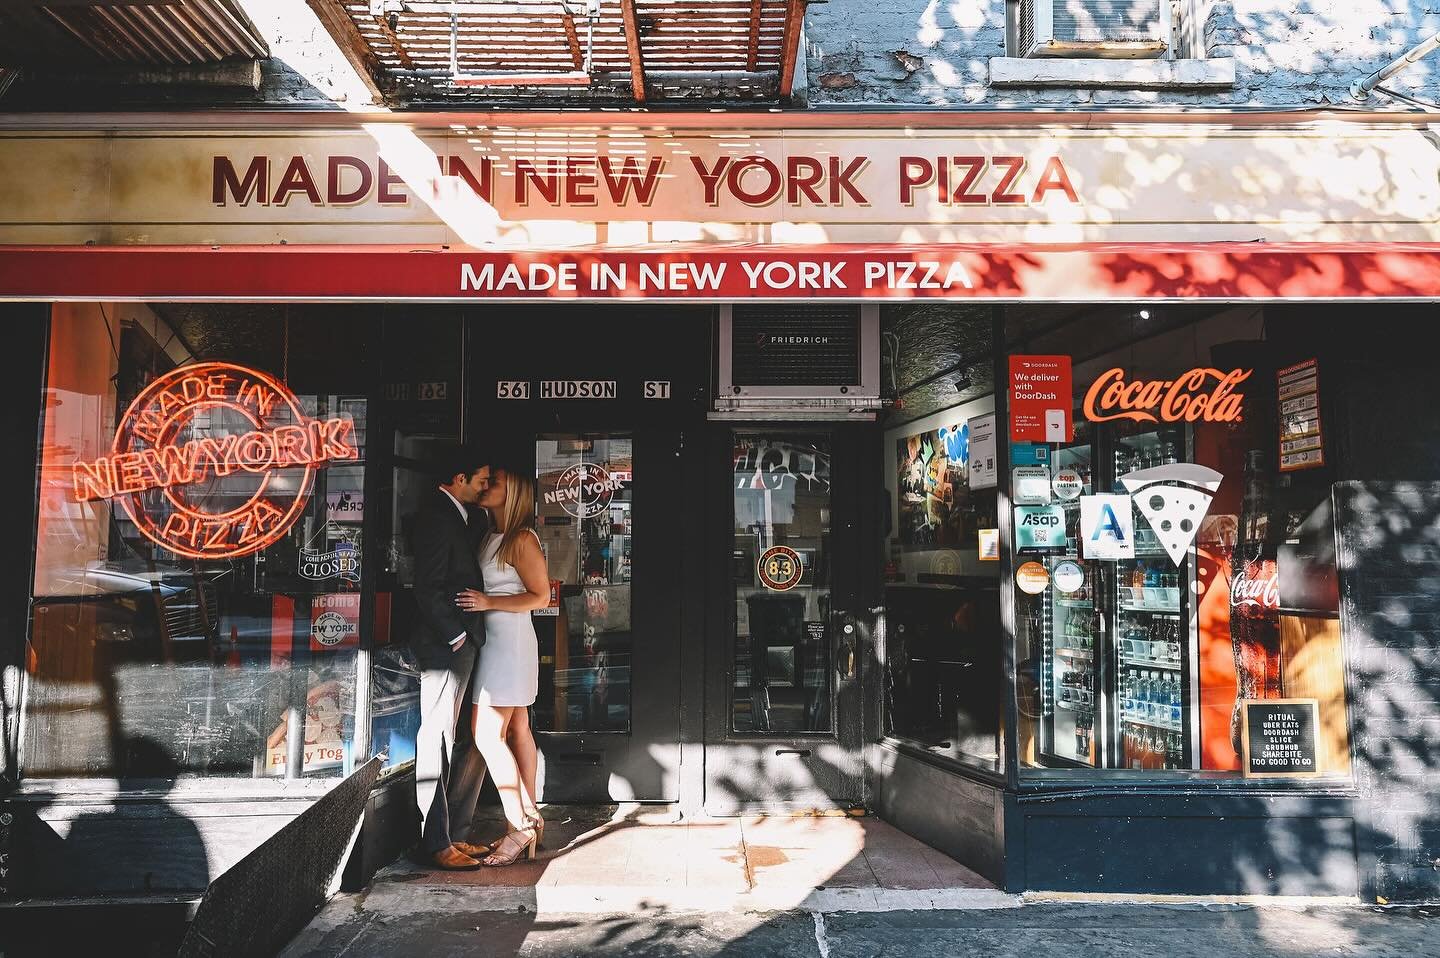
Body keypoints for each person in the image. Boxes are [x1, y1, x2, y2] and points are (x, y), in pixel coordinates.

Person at [456, 462, 550, 866]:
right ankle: (525, 825)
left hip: (509, 642)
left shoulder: (521, 538)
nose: (488, 486)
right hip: (497, 640)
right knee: (517, 729)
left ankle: (521, 821)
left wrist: (489, 601)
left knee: (486, 733)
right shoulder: (490, 535)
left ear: (512, 495)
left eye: (496, 482)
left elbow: (541, 597)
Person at [410, 449, 493, 870]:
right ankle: (437, 842)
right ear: (459, 478)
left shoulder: (462, 517)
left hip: (462, 641)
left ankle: (455, 835)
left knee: (465, 737)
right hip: (447, 646)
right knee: (438, 736)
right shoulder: (438, 519)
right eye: (481, 480)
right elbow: (426, 587)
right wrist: (456, 635)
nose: (485, 487)